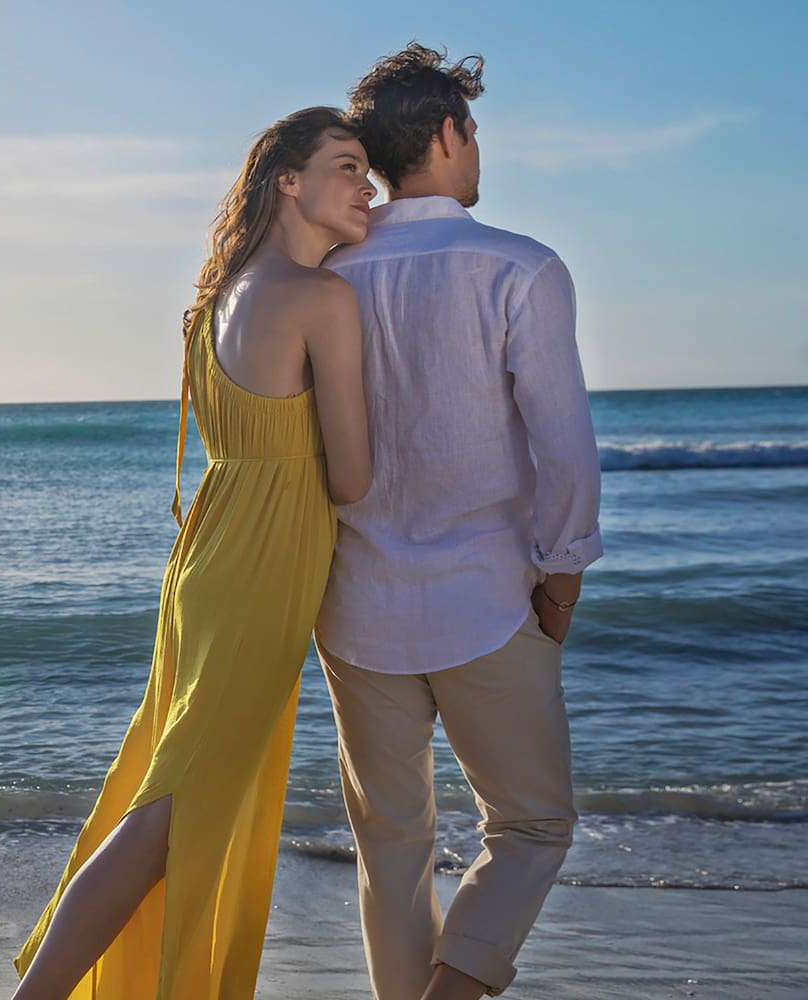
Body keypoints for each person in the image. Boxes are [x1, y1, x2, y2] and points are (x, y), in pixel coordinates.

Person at [11, 107, 375, 999]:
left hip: (210, 560)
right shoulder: (323, 298)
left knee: (167, 788)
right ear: (288, 179)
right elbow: (354, 478)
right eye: (347, 166)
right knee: (173, 810)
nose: (366, 185)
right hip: (259, 569)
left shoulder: (221, 296)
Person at [315, 44, 603, 1000]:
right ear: (448, 134)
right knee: (529, 828)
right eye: (472, 131)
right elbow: (564, 450)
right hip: (488, 597)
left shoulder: (326, 277)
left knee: (392, 849)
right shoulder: (519, 266)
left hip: (354, 605)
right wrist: (561, 582)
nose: (477, 150)